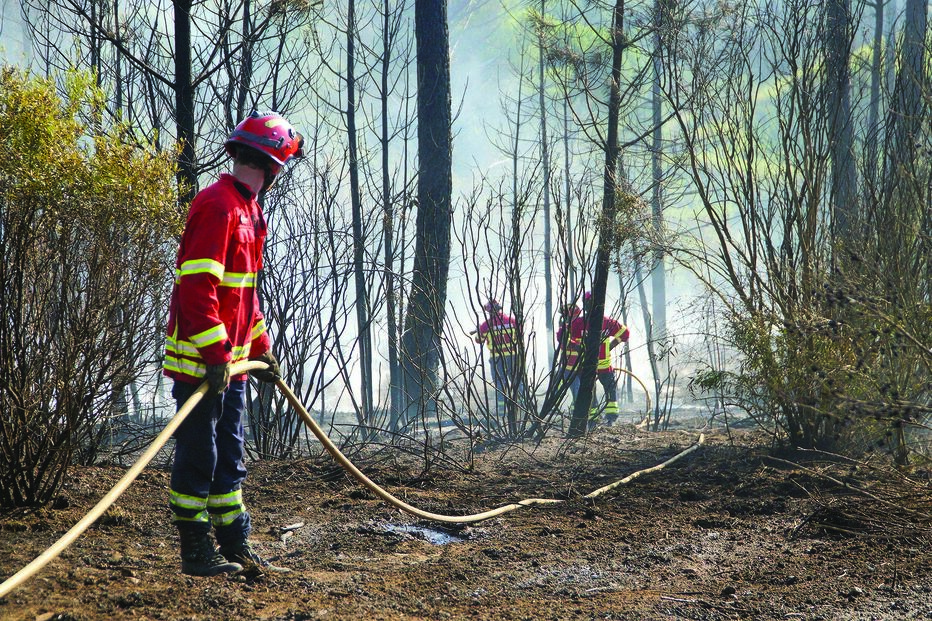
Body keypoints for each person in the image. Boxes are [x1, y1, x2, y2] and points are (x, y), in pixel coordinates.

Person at [163, 111, 304, 577]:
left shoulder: (248, 209)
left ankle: (234, 542)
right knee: (199, 456)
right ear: (273, 165)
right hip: (204, 366)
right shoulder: (219, 206)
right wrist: (217, 354)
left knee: (230, 456)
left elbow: (243, 294)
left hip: (233, 365)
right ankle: (196, 550)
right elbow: (196, 288)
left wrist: (260, 347)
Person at [570, 292, 630, 428]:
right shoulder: (603, 322)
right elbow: (566, 337)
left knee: (594, 390)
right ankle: (604, 418)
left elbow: (625, 333)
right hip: (597, 365)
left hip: (591, 365)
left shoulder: (580, 323)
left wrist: (610, 346)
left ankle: (599, 419)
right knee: (606, 389)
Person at [474, 299, 524, 435]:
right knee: (517, 382)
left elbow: (478, 340)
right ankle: (523, 408)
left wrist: (479, 329)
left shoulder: (487, 325)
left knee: (500, 385)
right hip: (513, 357)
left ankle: (503, 414)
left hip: (497, 359)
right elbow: (521, 334)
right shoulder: (512, 321)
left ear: (490, 311)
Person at [555, 302, 582, 404]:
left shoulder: (576, 326)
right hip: (569, 364)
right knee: (558, 383)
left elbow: (565, 340)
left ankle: (576, 407)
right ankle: (554, 405)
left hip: (573, 365)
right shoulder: (567, 327)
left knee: (576, 387)